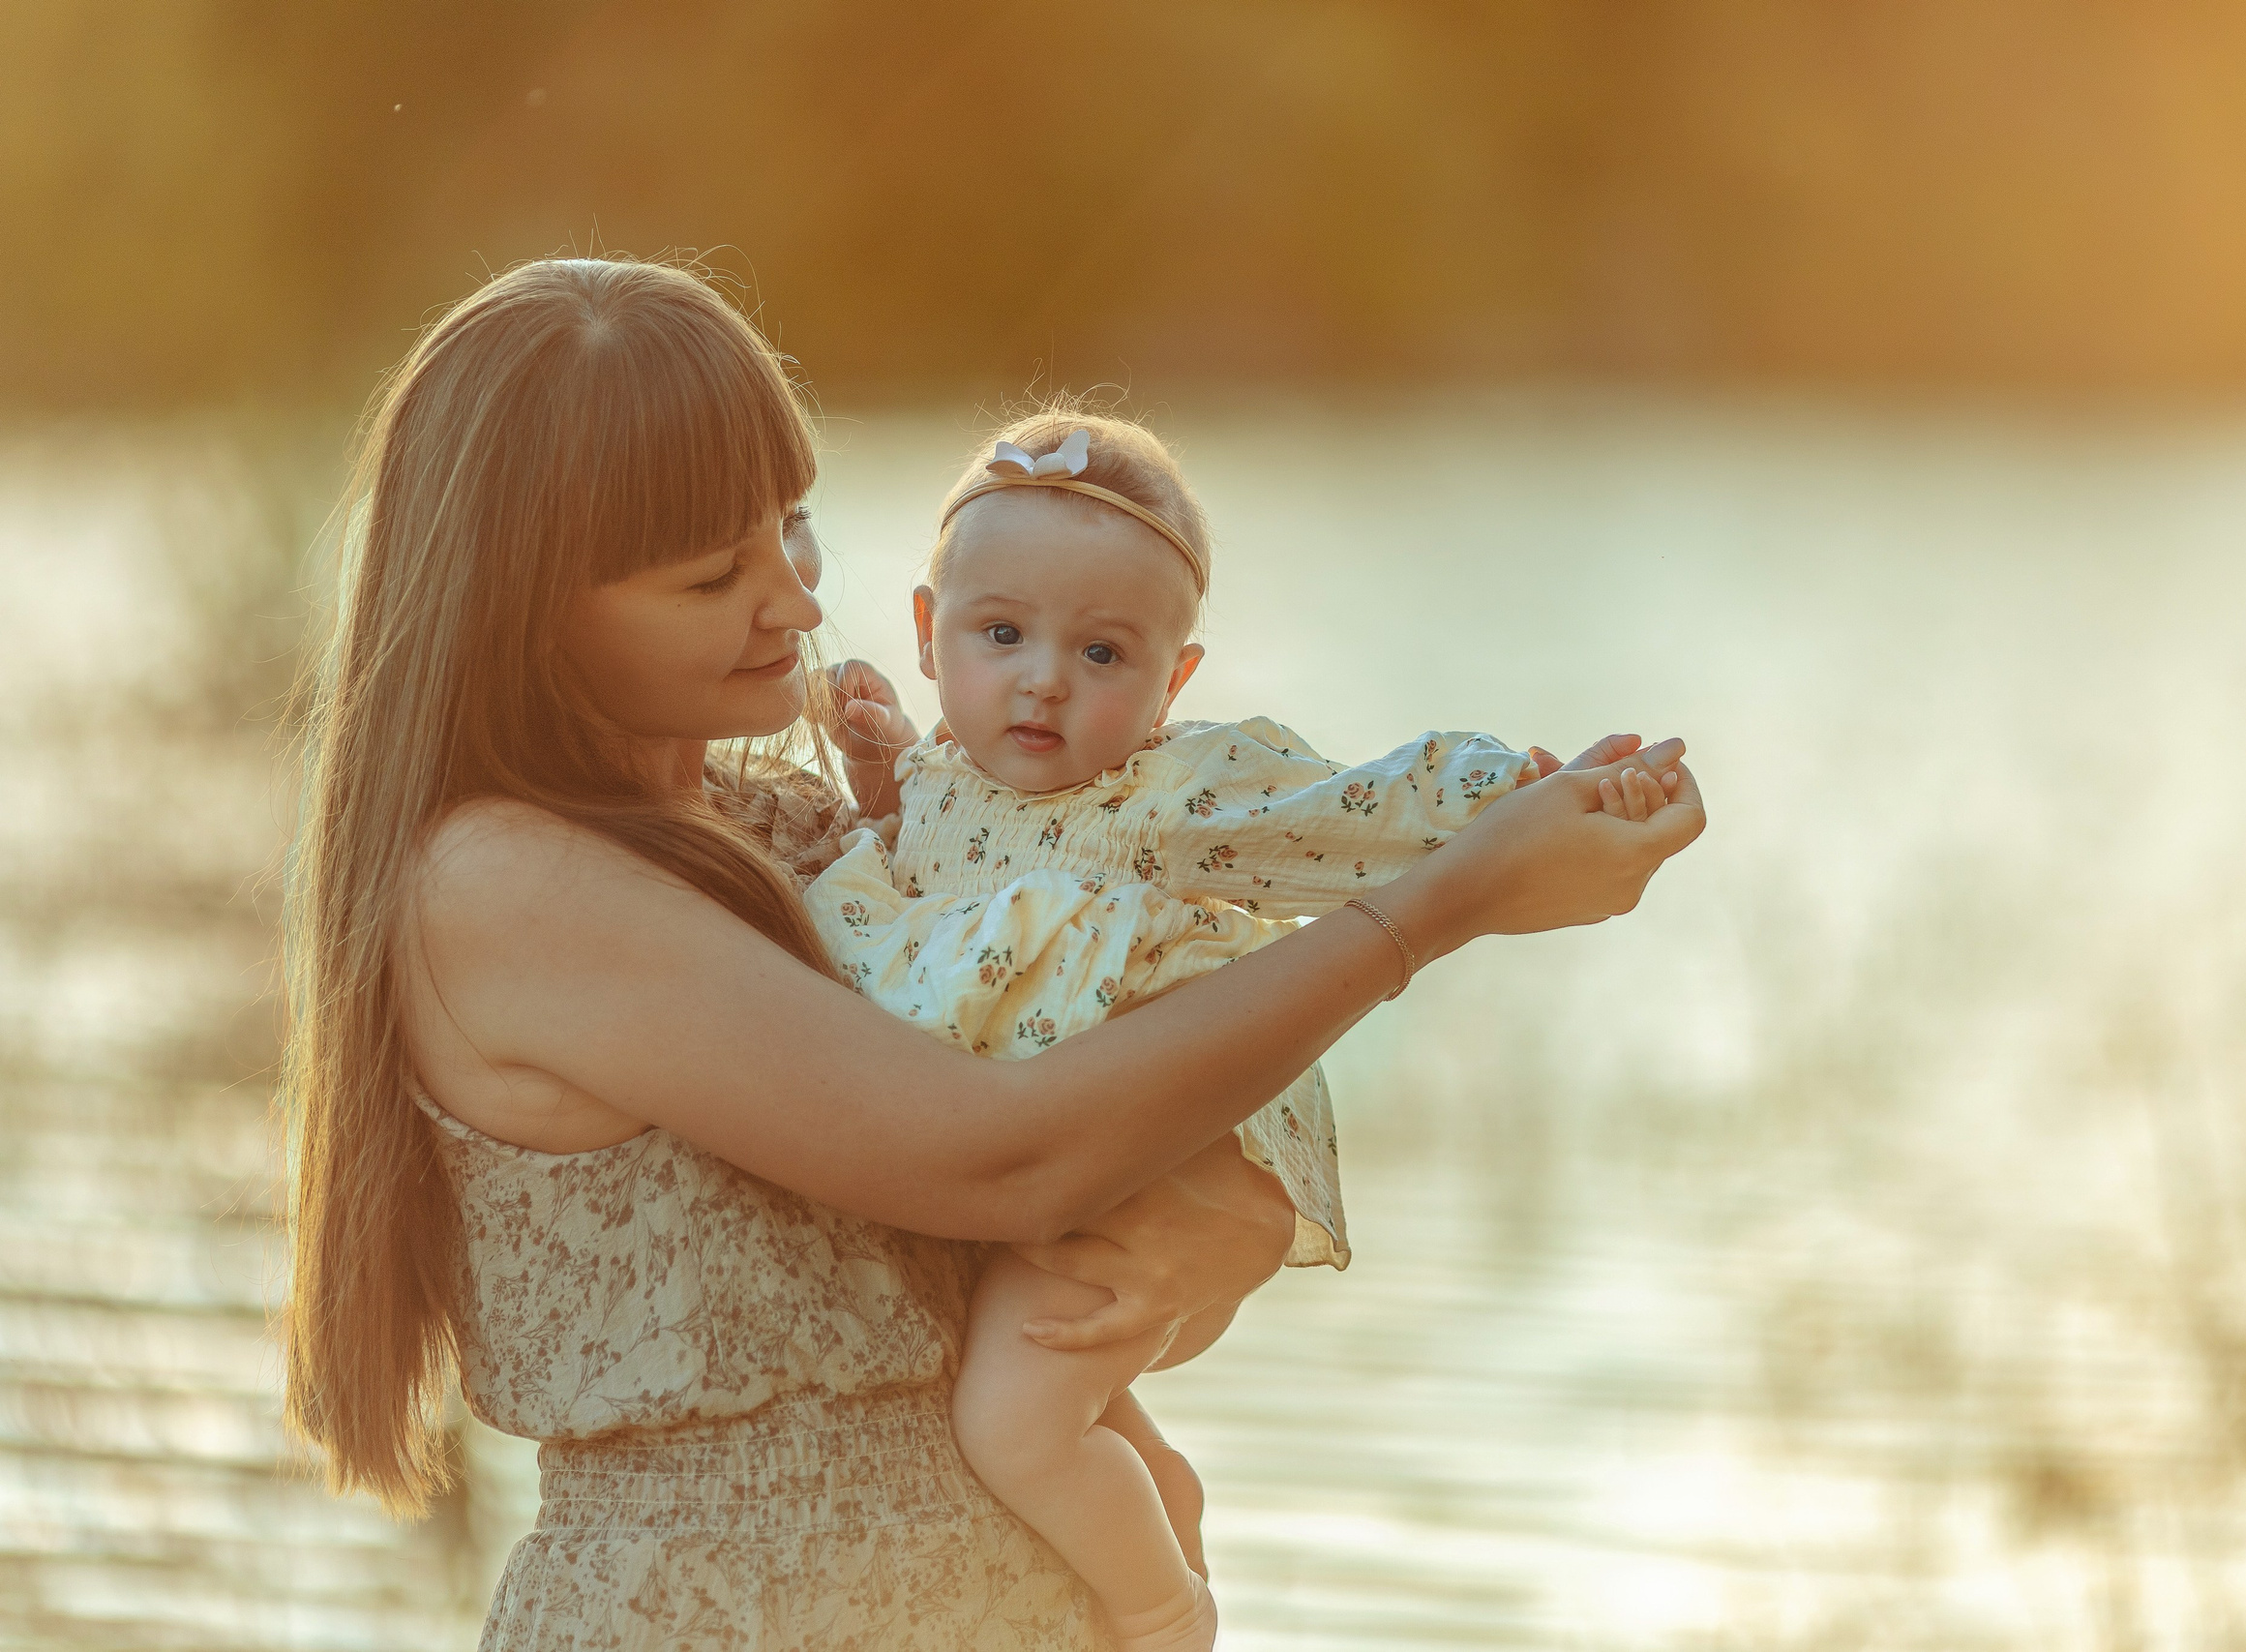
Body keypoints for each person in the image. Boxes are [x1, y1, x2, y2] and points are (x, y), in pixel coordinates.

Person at [279, 255, 1705, 1649]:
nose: (789, 594)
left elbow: (1003, 1172)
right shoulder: (505, 887)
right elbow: (1004, 1154)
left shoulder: (775, 820)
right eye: (715, 572)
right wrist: (1441, 907)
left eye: (795, 523)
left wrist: (1483, 813)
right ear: (530, 613)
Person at [807, 408, 1681, 1649]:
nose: (1044, 678)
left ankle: (1162, 1610)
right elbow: (938, 875)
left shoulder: (1170, 793)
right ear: (925, 632)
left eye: (1103, 655)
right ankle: (1156, 1489)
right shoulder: (945, 770)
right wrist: (884, 765)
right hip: (1049, 1160)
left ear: (1173, 682)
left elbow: (1350, 810)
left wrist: (1524, 797)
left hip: (1156, 1168)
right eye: (999, 635)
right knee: (1045, 1383)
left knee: (1009, 1422)